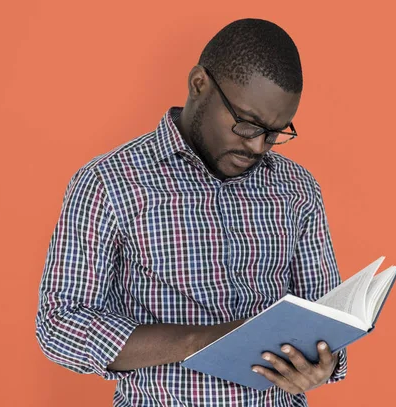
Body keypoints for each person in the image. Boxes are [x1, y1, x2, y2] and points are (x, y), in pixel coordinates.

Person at [35, 18, 347, 406]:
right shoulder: (108, 183)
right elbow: (59, 326)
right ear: (199, 84)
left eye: (276, 132)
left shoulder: (298, 188)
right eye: (248, 125)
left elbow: (326, 317)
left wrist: (324, 364)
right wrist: (203, 340)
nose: (258, 147)